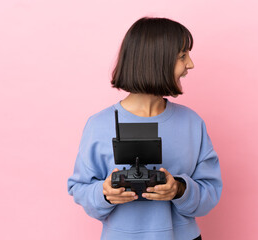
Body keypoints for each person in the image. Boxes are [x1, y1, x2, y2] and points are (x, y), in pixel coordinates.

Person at [67, 17, 222, 240]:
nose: (190, 64)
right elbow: (79, 188)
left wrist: (179, 189)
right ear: (155, 61)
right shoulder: (99, 125)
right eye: (182, 56)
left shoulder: (192, 123)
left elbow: (210, 190)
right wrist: (105, 193)